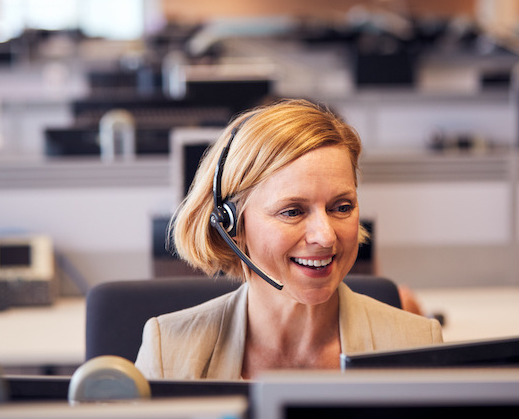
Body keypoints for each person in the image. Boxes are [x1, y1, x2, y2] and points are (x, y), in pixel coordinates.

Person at [134, 99, 442, 380]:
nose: (325, 236)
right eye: (292, 211)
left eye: (342, 207)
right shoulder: (169, 354)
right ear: (232, 224)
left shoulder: (416, 344)